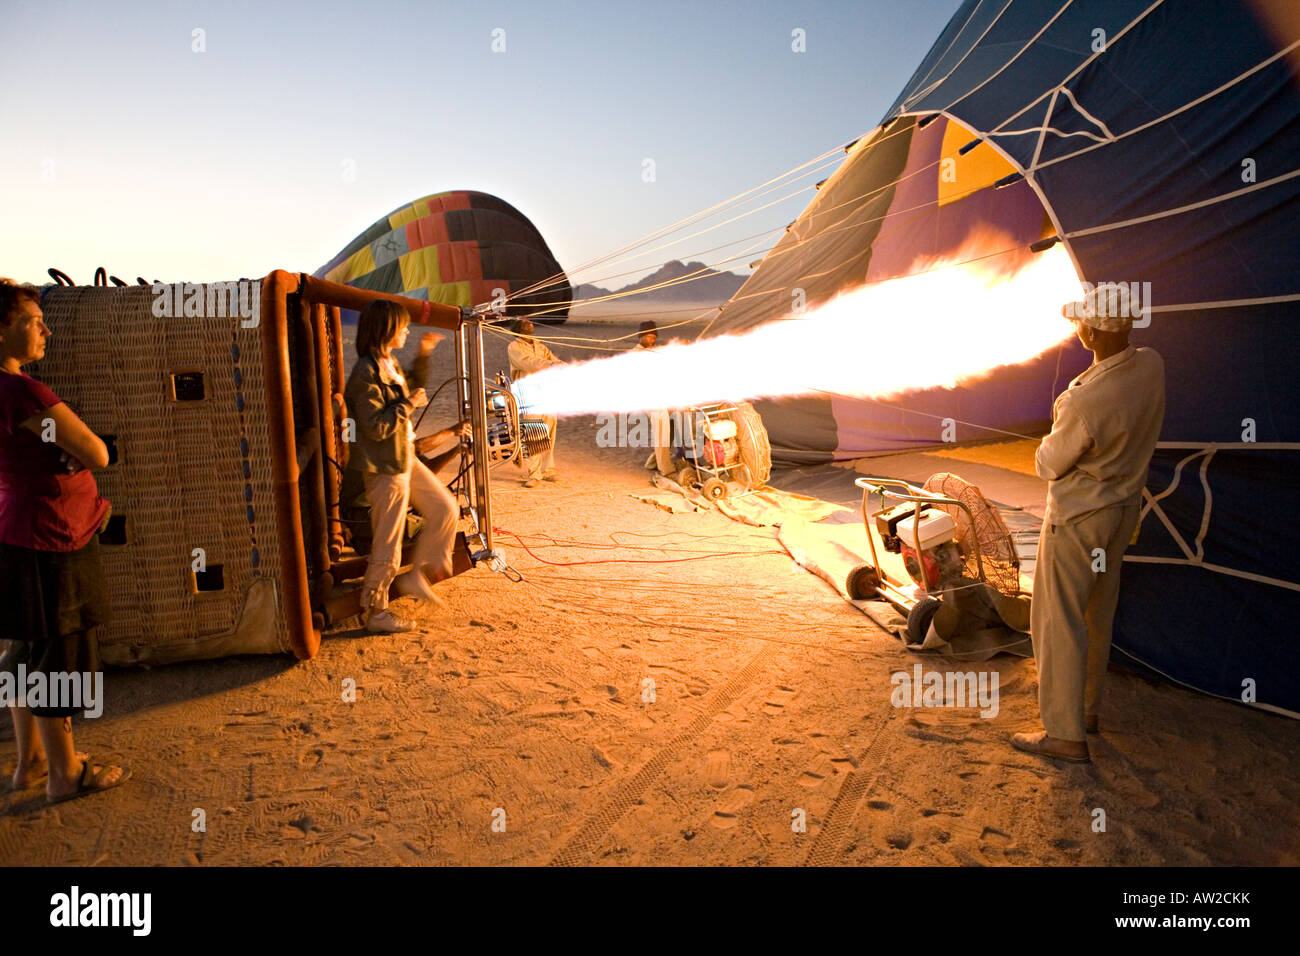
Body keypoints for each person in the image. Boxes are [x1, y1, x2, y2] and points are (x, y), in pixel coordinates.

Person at [1012, 283, 1165, 763]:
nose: (1076, 327)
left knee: (1057, 622)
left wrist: (1055, 424)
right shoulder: (1152, 366)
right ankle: (1086, 712)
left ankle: (1064, 734)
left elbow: (1048, 464)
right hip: (1121, 517)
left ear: (1094, 331)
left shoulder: (1082, 401)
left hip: (1078, 523)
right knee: (1097, 615)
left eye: (1082, 321)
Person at [0, 278, 129, 804]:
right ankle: (65, 773)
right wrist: (76, 451)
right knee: (61, 650)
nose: (45, 329)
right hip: (54, 535)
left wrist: (52, 451)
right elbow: (97, 452)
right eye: (33, 320)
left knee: (24, 648)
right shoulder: (22, 391)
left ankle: (28, 761)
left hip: (13, 528)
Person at [343, 299, 460, 634]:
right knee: (388, 542)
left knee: (445, 510)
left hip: (402, 454)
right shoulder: (365, 374)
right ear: (387, 329)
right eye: (404, 326)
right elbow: (377, 426)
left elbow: (410, 383)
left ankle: (417, 576)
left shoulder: (388, 364)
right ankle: (376, 612)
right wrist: (408, 404)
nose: (408, 330)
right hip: (385, 466)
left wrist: (423, 353)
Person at [506, 316, 560, 487]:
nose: (529, 323)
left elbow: (553, 359)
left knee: (549, 430)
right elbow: (528, 363)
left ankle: (547, 470)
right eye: (525, 322)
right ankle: (534, 473)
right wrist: (551, 366)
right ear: (518, 328)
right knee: (533, 431)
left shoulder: (540, 346)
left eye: (529, 321)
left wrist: (563, 365)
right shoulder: (514, 347)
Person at [632, 321, 675, 477]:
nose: (652, 340)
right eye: (648, 337)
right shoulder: (636, 354)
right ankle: (666, 469)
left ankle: (653, 462)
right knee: (662, 426)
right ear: (640, 337)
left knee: (672, 426)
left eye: (653, 337)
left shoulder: (653, 350)